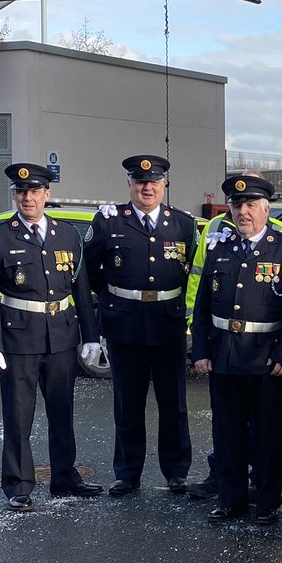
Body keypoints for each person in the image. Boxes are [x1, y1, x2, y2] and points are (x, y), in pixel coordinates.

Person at [0, 163, 103, 511]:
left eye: (34, 191)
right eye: (20, 192)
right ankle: (18, 484)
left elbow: (82, 289)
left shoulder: (67, 236)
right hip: (18, 340)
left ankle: (64, 477)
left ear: (48, 194)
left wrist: (91, 337)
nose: (27, 197)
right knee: (19, 416)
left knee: (62, 412)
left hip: (61, 336)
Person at [190, 174, 282, 525]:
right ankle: (231, 499)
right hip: (224, 355)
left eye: (251, 205)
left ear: (266, 209)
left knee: (267, 435)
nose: (243, 212)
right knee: (227, 433)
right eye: (238, 205)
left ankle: (267, 503)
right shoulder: (219, 248)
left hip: (265, 357)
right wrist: (201, 350)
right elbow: (203, 303)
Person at [84, 155, 196, 496]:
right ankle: (128, 472)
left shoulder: (183, 224)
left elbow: (192, 268)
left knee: (173, 401)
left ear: (164, 185)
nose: (147, 187)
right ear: (130, 185)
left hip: (167, 322)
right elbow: (89, 271)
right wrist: (113, 300)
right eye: (139, 182)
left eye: (153, 182)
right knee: (127, 402)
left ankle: (176, 471)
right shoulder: (109, 221)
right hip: (125, 322)